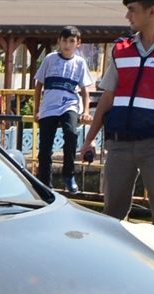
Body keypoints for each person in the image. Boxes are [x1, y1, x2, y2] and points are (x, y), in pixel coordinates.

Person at [81, 0, 154, 242]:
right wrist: (89, 139)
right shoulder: (122, 47)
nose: (127, 16)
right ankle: (111, 267)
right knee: (112, 215)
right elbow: (107, 97)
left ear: (152, 11)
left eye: (132, 10)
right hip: (119, 145)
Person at [33, 26, 94, 192]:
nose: (67, 45)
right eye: (64, 41)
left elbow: (84, 90)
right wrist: (36, 110)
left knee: (71, 133)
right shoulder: (50, 59)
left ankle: (69, 174)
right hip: (49, 106)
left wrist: (86, 111)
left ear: (78, 43)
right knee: (45, 148)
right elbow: (39, 85)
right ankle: (45, 183)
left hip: (69, 104)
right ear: (59, 41)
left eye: (71, 41)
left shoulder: (80, 63)